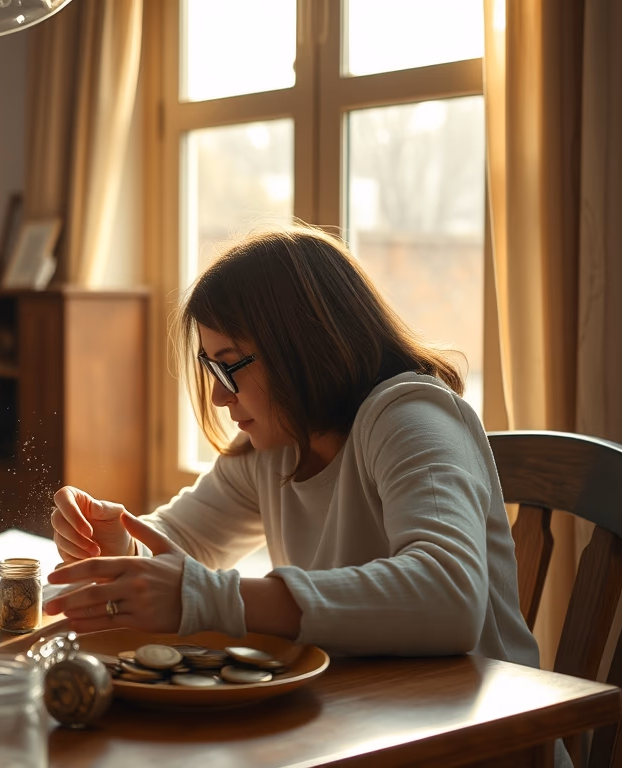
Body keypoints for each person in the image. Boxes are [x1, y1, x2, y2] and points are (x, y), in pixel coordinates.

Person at [44, 224, 543, 683]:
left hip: (486, 737)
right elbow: (182, 541)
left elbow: (447, 598)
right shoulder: (277, 448)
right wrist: (120, 548)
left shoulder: (412, 417)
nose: (220, 396)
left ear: (300, 347)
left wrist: (214, 598)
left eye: (229, 366)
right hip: (370, 719)